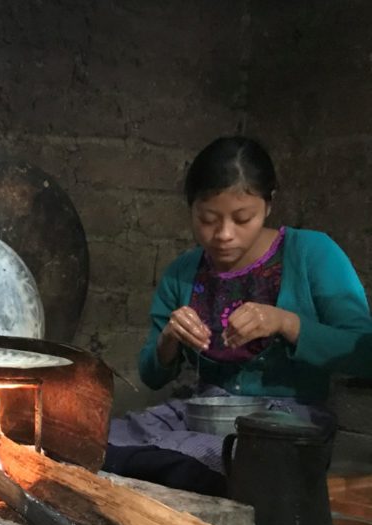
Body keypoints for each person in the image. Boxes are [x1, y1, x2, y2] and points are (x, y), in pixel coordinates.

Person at [105, 136, 372, 496]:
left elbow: (364, 353)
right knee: (99, 442)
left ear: (269, 204)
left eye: (242, 218)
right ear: (191, 208)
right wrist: (169, 339)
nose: (223, 235)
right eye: (208, 219)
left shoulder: (312, 254)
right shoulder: (182, 273)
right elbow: (152, 376)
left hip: (287, 424)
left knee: (236, 460)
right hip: (202, 413)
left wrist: (287, 323)